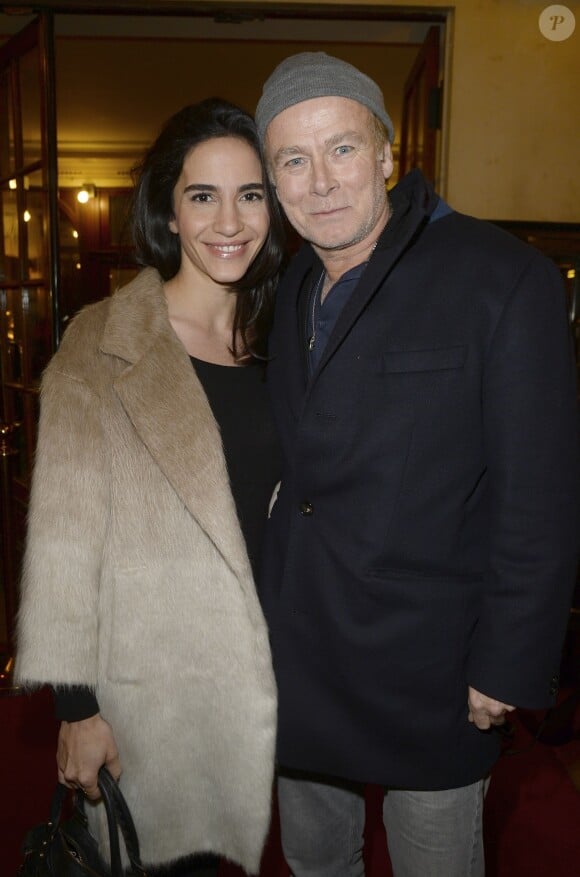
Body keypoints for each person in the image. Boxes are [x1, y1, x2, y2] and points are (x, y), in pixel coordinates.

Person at [255, 52, 580, 877]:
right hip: (304, 656)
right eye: (294, 159)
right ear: (274, 177)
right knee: (315, 862)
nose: (321, 180)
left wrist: (507, 663)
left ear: (389, 155)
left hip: (433, 668)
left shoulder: (502, 279)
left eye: (343, 149)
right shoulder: (292, 280)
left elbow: (537, 498)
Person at [15, 97, 286, 877]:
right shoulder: (103, 340)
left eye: (251, 194)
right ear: (168, 212)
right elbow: (64, 539)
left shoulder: (279, 347)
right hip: (145, 695)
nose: (228, 220)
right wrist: (77, 708)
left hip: (259, 685)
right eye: (203, 195)